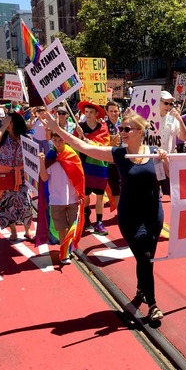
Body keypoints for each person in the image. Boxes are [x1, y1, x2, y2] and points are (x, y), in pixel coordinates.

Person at [43, 110, 168, 321]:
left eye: (127, 129)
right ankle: (153, 304)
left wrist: (165, 161)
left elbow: (166, 179)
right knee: (145, 257)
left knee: (147, 259)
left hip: (153, 214)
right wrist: (58, 130)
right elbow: (85, 147)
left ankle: (140, 290)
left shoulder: (155, 153)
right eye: (121, 129)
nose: (122, 132)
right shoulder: (118, 154)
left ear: (140, 131)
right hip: (130, 216)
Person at [38, 131, 85, 265]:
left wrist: (80, 194)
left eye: (61, 140)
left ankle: (69, 248)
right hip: (56, 199)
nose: (58, 143)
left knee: (73, 226)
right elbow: (44, 177)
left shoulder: (72, 156)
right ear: (51, 140)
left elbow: (80, 177)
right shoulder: (50, 157)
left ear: (65, 140)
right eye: (55, 140)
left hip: (72, 199)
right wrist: (42, 162)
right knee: (61, 228)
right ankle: (64, 253)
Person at [0, 113, 33, 241]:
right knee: (4, 204)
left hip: (22, 178)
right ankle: (13, 231)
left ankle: (27, 230)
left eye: (9, 121)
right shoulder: (2, 137)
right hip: (4, 177)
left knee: (26, 204)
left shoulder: (26, 138)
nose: (6, 122)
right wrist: (3, 127)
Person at [74, 101, 110, 235]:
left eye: (91, 112)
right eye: (86, 112)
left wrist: (89, 141)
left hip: (99, 166)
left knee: (100, 196)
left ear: (96, 114)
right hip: (83, 165)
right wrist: (78, 136)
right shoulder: (80, 127)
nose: (88, 115)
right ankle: (86, 217)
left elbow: (104, 144)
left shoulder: (103, 128)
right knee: (86, 195)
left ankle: (99, 222)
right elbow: (74, 144)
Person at [104, 101, 122, 208]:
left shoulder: (125, 124)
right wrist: (112, 143)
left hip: (124, 160)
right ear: (107, 112)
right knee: (115, 189)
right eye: (111, 111)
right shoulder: (103, 127)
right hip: (111, 162)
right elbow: (101, 146)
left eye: (115, 111)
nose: (114, 113)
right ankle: (119, 213)